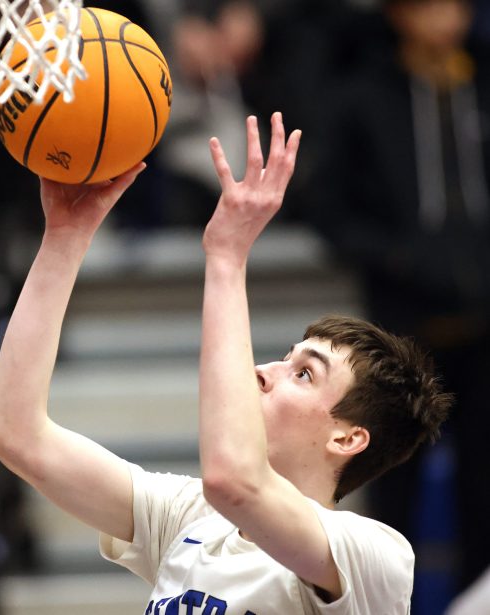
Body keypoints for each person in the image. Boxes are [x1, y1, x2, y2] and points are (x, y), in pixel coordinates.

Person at [0, 113, 452, 613]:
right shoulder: (190, 516)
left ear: (347, 437)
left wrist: (226, 257)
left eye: (304, 373)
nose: (262, 371)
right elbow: (13, 432)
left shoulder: (371, 555)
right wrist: (65, 237)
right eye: (286, 358)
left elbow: (234, 481)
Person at [304, 0, 490, 599]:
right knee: (392, 487)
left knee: (485, 489)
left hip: (486, 322)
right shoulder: (365, 92)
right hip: (403, 328)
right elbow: (328, 204)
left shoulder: (479, 82)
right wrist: (400, 257)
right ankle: (379, 607)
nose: (448, 17)